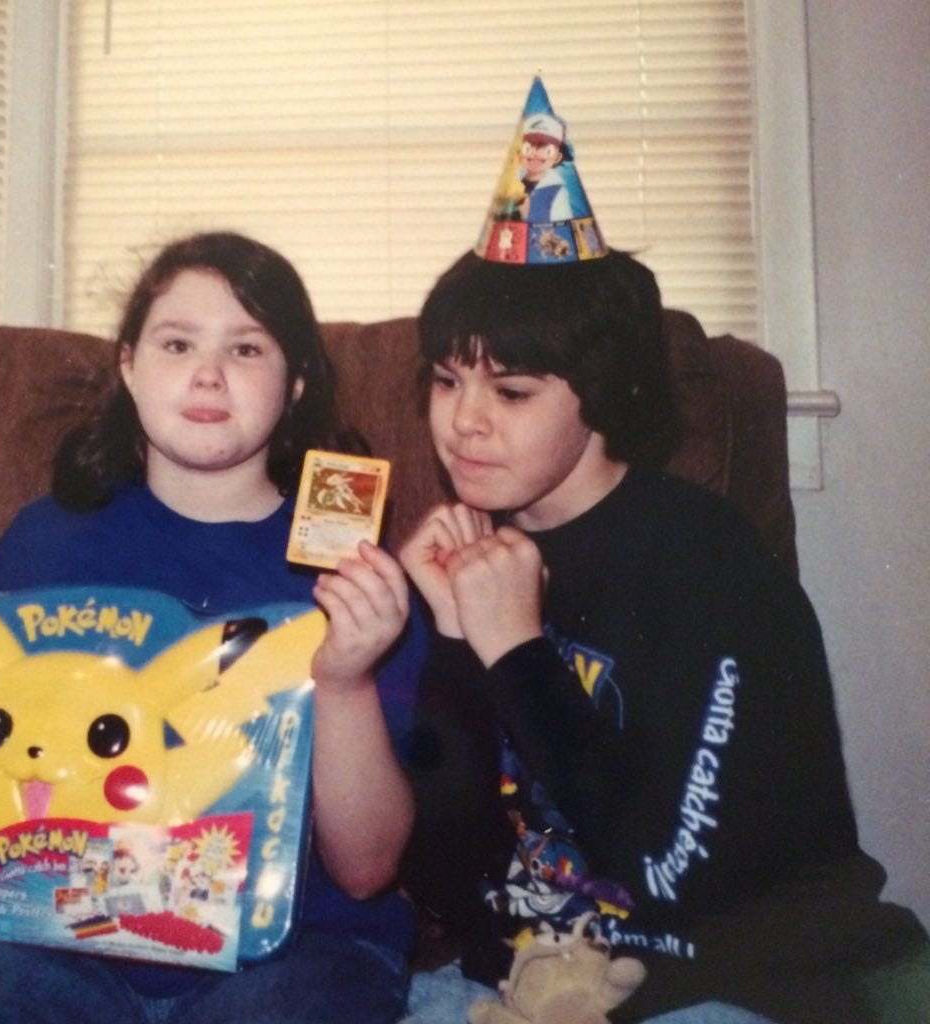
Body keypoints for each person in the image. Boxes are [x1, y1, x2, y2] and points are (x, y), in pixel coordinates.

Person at [398, 249, 929, 1024]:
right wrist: (452, 641)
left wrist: (516, 654)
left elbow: (665, 874)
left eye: (512, 391)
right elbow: (446, 884)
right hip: (526, 976)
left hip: (719, 974)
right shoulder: (478, 562)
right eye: (446, 381)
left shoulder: (706, 564)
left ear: (603, 396)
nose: (463, 421)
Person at [0, 230, 422, 1024]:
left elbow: (365, 870)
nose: (208, 373)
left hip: (299, 944)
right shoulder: (48, 539)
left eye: (247, 349)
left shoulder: (349, 573)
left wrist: (345, 677)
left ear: (294, 386)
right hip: (57, 938)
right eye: (177, 343)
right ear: (128, 365)